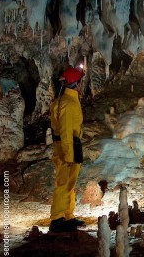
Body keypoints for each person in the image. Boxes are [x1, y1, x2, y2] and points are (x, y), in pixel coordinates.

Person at [49, 66, 85, 232]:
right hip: (67, 146)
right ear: (76, 84)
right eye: (80, 82)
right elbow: (65, 132)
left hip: (70, 144)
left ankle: (67, 215)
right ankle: (57, 218)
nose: (82, 85)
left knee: (70, 182)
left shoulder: (65, 100)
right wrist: (69, 156)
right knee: (64, 182)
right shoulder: (68, 104)